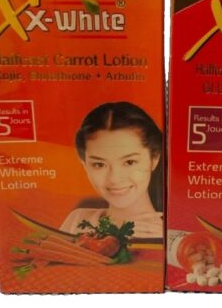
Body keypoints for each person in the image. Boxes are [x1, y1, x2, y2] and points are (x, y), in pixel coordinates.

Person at [60, 101, 163, 239]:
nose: (114, 179)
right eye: (99, 164)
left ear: (154, 159)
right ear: (84, 165)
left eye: (129, 162)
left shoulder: (168, 232)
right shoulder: (77, 220)